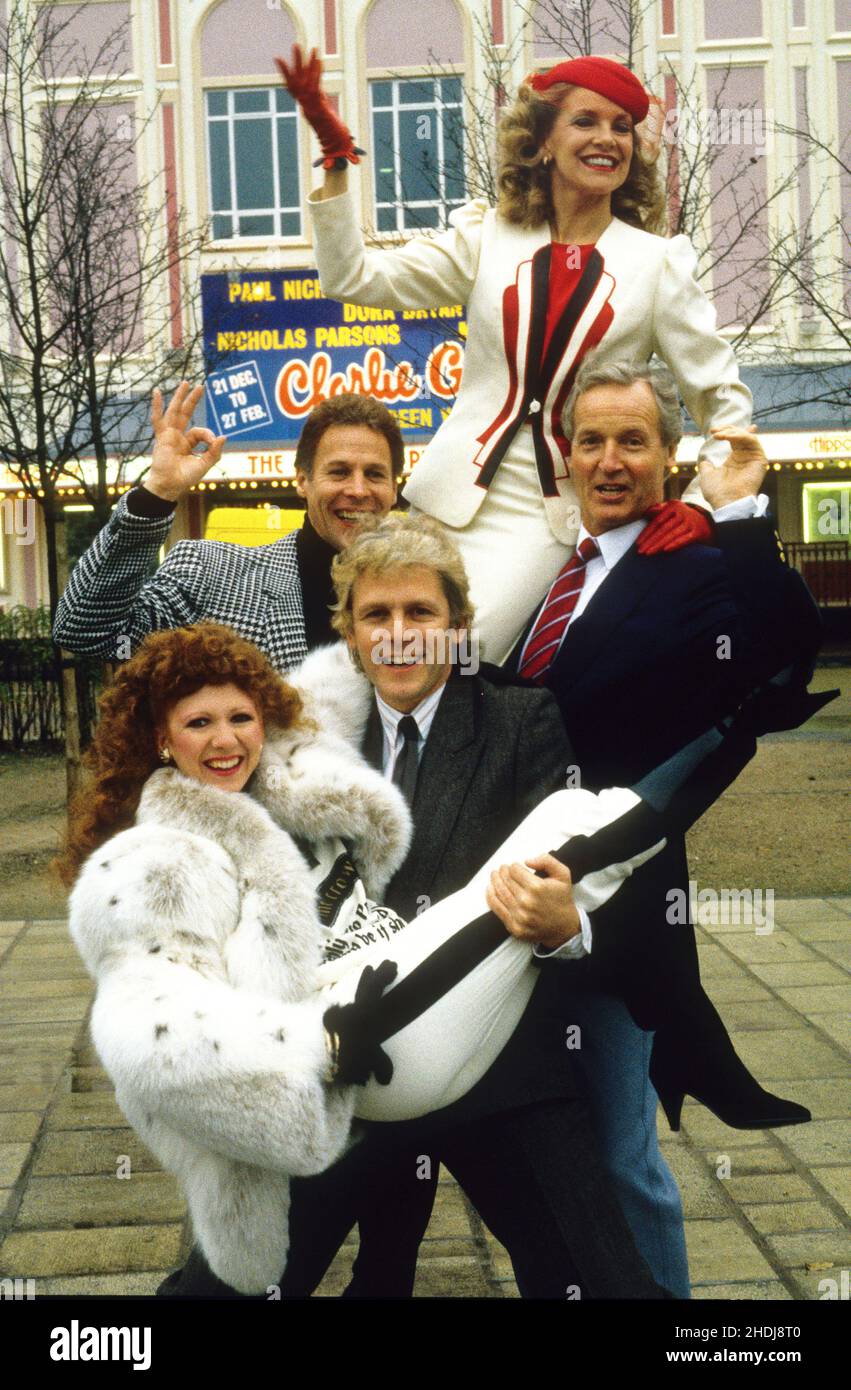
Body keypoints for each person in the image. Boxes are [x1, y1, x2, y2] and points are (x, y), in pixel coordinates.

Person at [61, 621, 676, 1299]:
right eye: (198, 722)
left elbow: (394, 637)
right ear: (160, 738)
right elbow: (154, 1036)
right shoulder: (159, 864)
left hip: (457, 1045)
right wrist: (317, 1048)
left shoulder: (300, 788)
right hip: (331, 1089)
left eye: (240, 717)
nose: (225, 739)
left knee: (600, 1281)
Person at [275, 511, 690, 1301]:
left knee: (595, 1279)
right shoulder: (303, 740)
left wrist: (564, 923)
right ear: (350, 633)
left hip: (500, 1065)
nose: (398, 635)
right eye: (376, 615)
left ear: (458, 626)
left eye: (419, 613)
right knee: (238, 1270)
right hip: (350, 1068)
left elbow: (572, 874)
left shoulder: (519, 718)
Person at [279, 46, 752, 661]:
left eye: (622, 127)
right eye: (586, 120)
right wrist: (336, 161)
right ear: (543, 141)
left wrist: (698, 505)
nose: (607, 138)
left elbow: (725, 404)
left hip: (546, 518)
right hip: (441, 497)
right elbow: (352, 277)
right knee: (377, 658)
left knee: (451, 661)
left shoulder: (658, 264)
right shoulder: (488, 236)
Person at [501, 356, 825, 1132]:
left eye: (632, 441)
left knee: (619, 1154)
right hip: (510, 893)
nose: (609, 461)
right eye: (590, 441)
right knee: (549, 1150)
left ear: (667, 457)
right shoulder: (543, 570)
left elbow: (775, 660)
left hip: (615, 905)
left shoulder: (693, 566)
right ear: (567, 456)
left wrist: (740, 515)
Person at [52, 384, 399, 669]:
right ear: (302, 480)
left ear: (394, 489)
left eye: (374, 474)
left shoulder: (426, 592)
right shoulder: (212, 577)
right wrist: (158, 493)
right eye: (338, 472)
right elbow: (90, 632)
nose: (357, 490)